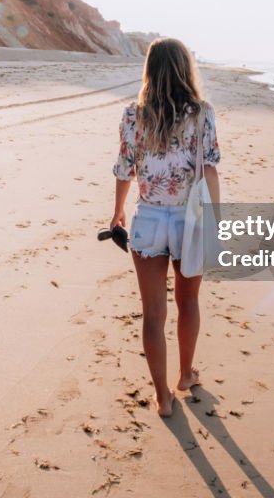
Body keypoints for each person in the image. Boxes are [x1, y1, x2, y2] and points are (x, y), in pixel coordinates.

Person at [110, 37, 221, 417]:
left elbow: (125, 169)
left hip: (149, 218)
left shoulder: (132, 115)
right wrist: (216, 221)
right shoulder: (202, 113)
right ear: (184, 69)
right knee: (188, 301)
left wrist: (117, 212)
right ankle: (186, 374)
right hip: (189, 220)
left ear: (150, 71)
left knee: (152, 313)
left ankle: (162, 398)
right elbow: (210, 168)